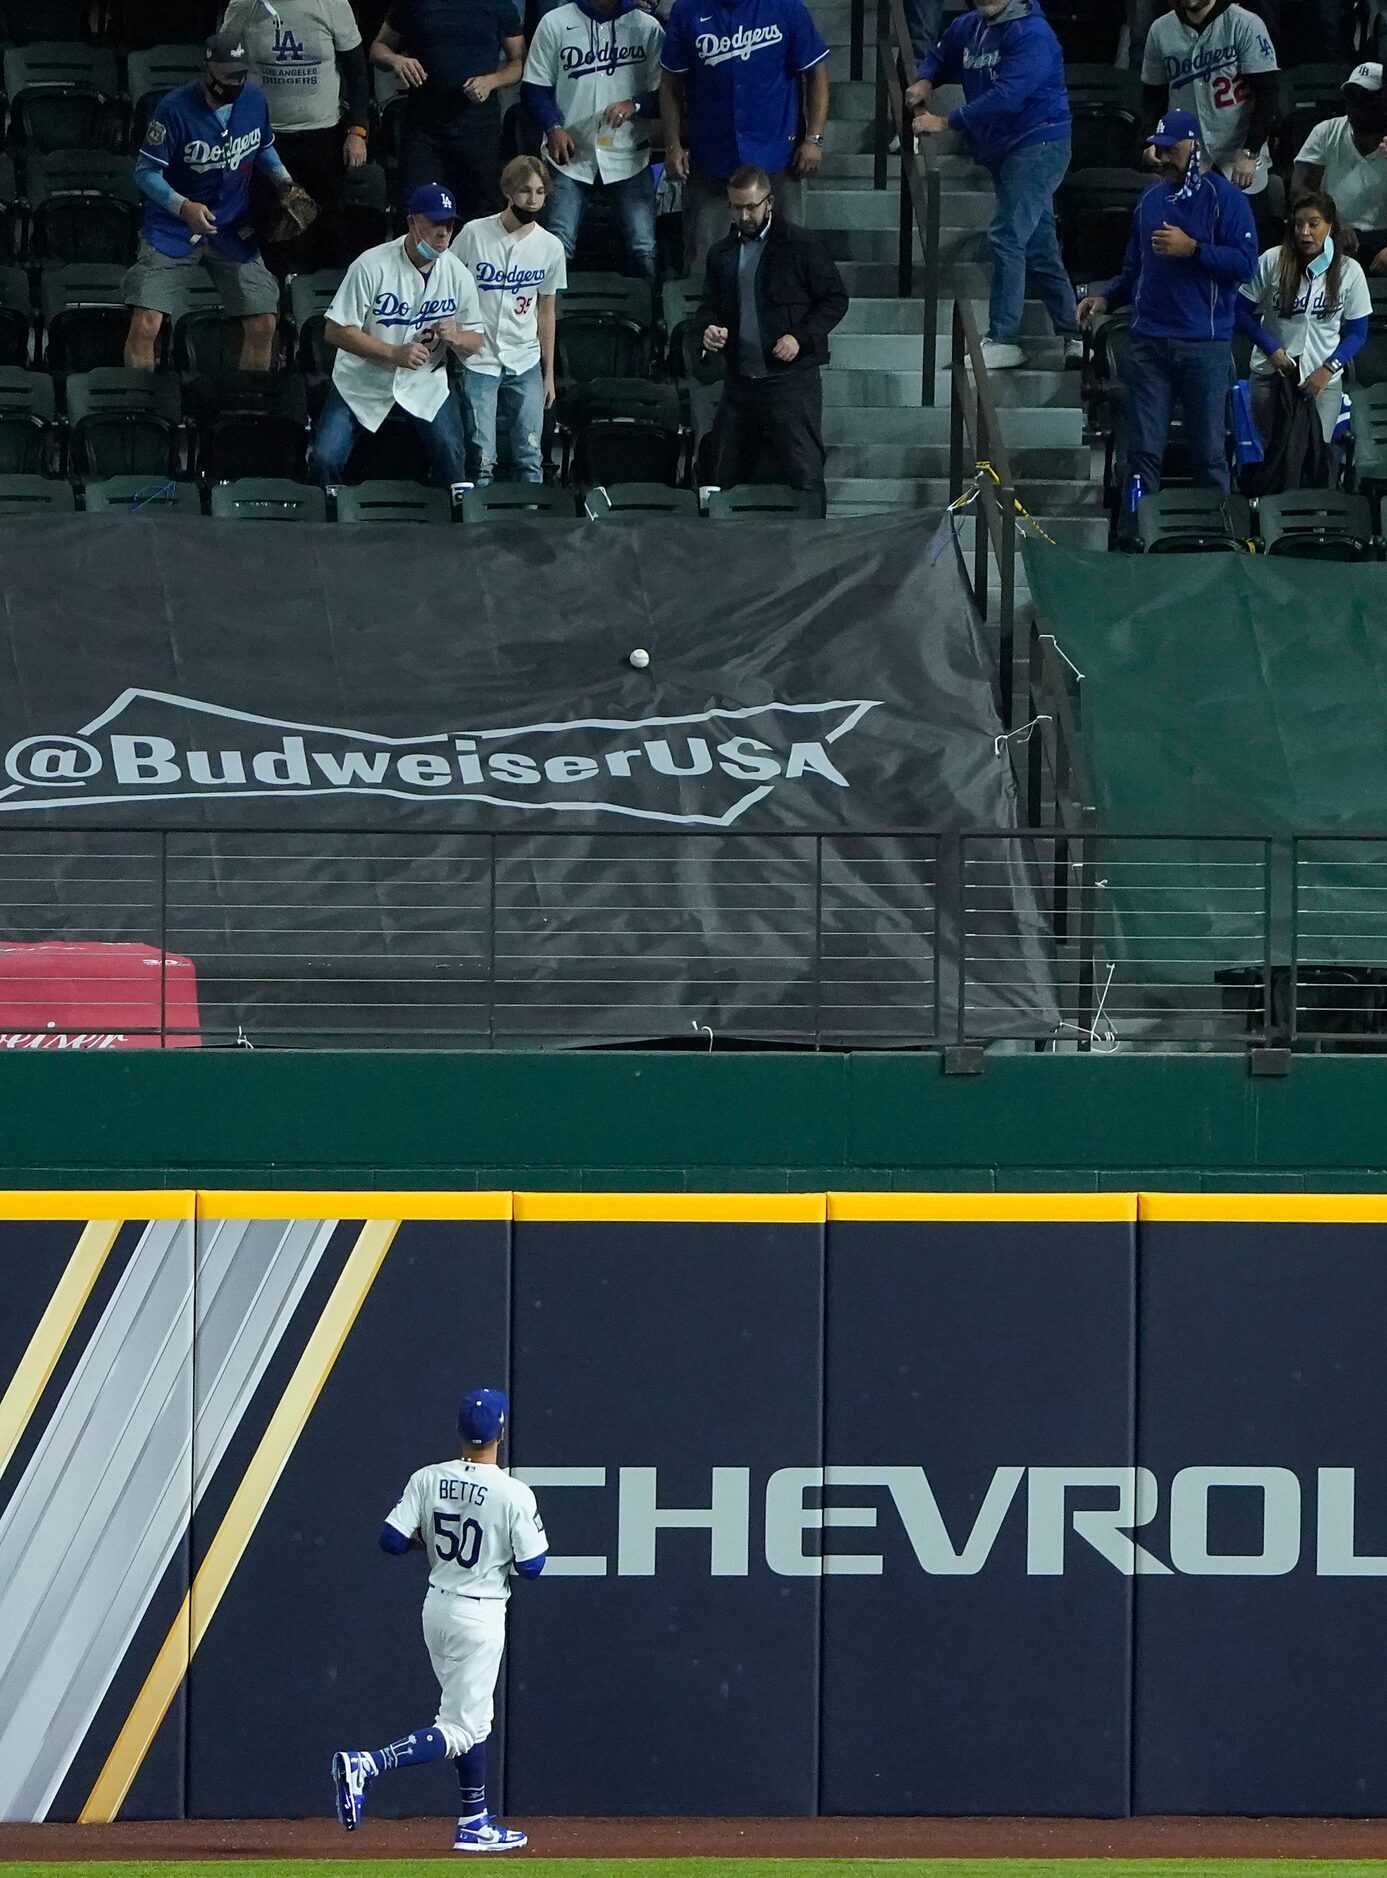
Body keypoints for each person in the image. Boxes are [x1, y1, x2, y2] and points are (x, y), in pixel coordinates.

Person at [330, 1388, 546, 1856]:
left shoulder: (428, 1478)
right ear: (501, 1432)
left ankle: (473, 1821)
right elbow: (532, 1567)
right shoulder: (513, 1492)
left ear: (460, 1430)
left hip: (438, 1605)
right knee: (461, 1727)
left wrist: (426, 1543)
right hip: (480, 1611)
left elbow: (390, 1540)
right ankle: (367, 1764)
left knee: (471, 1716)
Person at [1075, 111, 1257, 534]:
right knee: (1142, 452)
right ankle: (1138, 535)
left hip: (1204, 343)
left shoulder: (1224, 199)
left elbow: (1245, 266)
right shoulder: (1151, 201)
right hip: (1150, 341)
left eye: (1172, 147)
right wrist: (1106, 298)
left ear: (1195, 146)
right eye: (1159, 147)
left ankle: (1216, 537)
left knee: (1210, 452)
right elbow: (1135, 267)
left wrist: (1194, 249)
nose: (1162, 156)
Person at [908, 0, 1081, 373]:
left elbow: (1006, 99)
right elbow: (941, 53)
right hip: (1004, 151)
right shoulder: (969, 25)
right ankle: (1076, 335)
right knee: (1038, 244)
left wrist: (946, 122)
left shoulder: (1033, 34)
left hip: (1040, 142)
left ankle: (1004, 338)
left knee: (1007, 235)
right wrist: (926, 78)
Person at [123, 33, 311, 372]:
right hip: (173, 225)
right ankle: (140, 404)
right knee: (146, 321)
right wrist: (183, 206)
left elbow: (263, 145)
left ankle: (246, 407)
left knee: (264, 322)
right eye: (228, 75)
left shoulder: (253, 99)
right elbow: (145, 172)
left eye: (241, 73)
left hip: (232, 224)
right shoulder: (174, 108)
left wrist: (285, 181)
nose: (235, 82)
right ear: (207, 71)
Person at [311, 182, 485, 488]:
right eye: (434, 224)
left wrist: (457, 337)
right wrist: (393, 354)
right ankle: (324, 525)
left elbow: (476, 340)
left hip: (424, 382)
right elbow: (336, 330)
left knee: (453, 456)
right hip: (362, 380)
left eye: (448, 225)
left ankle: (449, 528)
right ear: (412, 223)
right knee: (324, 458)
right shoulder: (371, 264)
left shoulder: (458, 274)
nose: (443, 233)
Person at [699, 164, 847, 505]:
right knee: (723, 473)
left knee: (804, 471)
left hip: (791, 380)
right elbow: (708, 307)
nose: (745, 215)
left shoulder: (802, 245)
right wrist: (708, 330)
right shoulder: (721, 254)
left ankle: (812, 541)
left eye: (752, 206)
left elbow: (835, 299)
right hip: (740, 379)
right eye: (737, 207)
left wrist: (799, 337)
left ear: (770, 202)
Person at [659, 0, 830, 278]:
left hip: (778, 155)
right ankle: (703, 321)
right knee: (703, 263)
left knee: (788, 260)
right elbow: (670, 83)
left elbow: (816, 74)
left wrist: (814, 138)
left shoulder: (785, 8)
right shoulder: (688, 10)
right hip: (711, 156)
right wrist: (673, 145)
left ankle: (786, 321)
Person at [218, 0, 371, 269]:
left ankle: (327, 302)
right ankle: (276, 305)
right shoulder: (244, 5)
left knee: (329, 227)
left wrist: (357, 130)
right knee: (271, 230)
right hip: (266, 140)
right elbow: (223, 65)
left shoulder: (332, 4)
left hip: (324, 137)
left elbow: (357, 73)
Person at [521, 0, 664, 286]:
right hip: (570, 155)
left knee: (643, 248)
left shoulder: (647, 27)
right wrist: (553, 128)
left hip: (628, 155)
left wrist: (635, 103)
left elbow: (666, 91)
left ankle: (648, 324)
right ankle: (552, 324)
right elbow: (535, 87)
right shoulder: (555, 22)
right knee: (557, 247)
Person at [1234, 191, 1370, 490]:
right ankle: (1275, 524)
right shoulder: (1272, 260)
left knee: (1314, 454)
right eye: (1298, 225)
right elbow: (1239, 313)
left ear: (1330, 226)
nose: (1305, 233)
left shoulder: (1349, 271)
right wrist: (1271, 349)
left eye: (1314, 224)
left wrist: (1329, 368)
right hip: (1271, 376)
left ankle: (1313, 526)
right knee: (1276, 453)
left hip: (1323, 381)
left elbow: (1358, 333)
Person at [452, 156, 567, 485]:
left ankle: (532, 525)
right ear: (508, 191)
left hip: (525, 358)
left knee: (531, 457)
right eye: (525, 191)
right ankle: (476, 528)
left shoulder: (550, 247)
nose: (533, 199)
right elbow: (448, 285)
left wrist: (548, 375)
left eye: (540, 191)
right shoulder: (474, 234)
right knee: (481, 459)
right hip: (479, 358)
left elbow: (546, 310)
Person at [371, 0, 525, 224]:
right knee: (417, 212)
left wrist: (492, 81)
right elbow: (378, 48)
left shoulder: (499, 3)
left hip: (479, 129)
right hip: (423, 129)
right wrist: (396, 60)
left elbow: (518, 63)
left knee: (483, 218)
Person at [1141, 0, 1280, 247]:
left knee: (1248, 254)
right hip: (1187, 160)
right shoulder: (1161, 30)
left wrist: (1251, 150)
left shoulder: (1245, 23)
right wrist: (1152, 139)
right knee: (1189, 251)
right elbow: (1153, 96)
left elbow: (1268, 94)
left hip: (1239, 160)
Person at [1292, 65, 1387, 276]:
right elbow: (1301, 190)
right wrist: (1332, 224)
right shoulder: (1326, 132)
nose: (1356, 105)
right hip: (1335, 232)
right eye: (1351, 96)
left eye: (1366, 97)